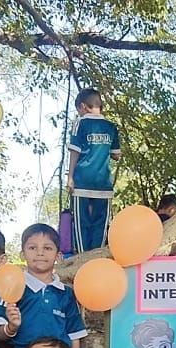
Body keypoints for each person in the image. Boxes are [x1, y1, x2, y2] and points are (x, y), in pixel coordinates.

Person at [2, 224, 87, 348]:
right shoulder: (14, 287)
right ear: (22, 254)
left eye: (47, 248)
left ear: (58, 256)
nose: (40, 253)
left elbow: (75, 337)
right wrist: (10, 326)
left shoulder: (66, 293)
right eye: (32, 248)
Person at [67, 88, 121, 253]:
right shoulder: (111, 127)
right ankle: (96, 258)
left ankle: (83, 260)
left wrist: (70, 177)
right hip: (103, 185)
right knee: (100, 225)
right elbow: (116, 155)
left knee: (81, 225)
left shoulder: (80, 123)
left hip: (82, 182)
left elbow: (74, 151)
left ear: (83, 107)